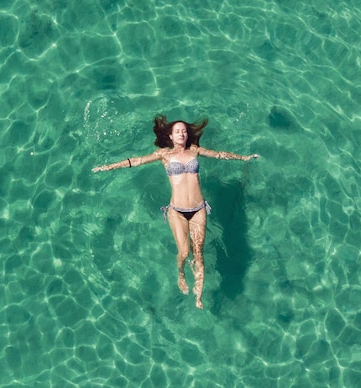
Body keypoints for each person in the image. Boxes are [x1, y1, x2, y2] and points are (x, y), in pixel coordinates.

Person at [92, 115, 259, 309]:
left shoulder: (195, 151)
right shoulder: (164, 155)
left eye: (184, 131)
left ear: (188, 135)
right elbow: (137, 161)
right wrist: (108, 167)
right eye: (177, 131)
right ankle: (180, 273)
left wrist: (244, 158)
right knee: (184, 251)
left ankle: (199, 295)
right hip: (177, 211)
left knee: (199, 253)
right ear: (170, 136)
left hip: (198, 210)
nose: (182, 133)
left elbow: (219, 154)